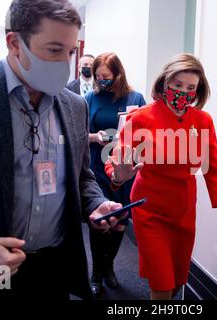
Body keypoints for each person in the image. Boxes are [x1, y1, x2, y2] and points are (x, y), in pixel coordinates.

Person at [0, 0, 126, 300]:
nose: (65, 64)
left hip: (52, 269)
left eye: (70, 52)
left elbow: (82, 175)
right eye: (53, 50)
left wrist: (95, 203)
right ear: (14, 43)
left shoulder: (75, 106)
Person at [105, 53, 217, 300]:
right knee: (162, 283)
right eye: (177, 86)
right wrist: (118, 177)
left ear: (199, 91)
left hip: (184, 212)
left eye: (190, 88)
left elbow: (213, 169)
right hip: (150, 211)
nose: (183, 93)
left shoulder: (203, 121)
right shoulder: (141, 117)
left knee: (177, 280)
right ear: (165, 82)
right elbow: (115, 161)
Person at [83, 52, 146, 297]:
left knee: (120, 220)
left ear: (118, 74)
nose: (101, 81)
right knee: (100, 220)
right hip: (97, 168)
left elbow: (144, 134)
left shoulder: (135, 98)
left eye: (106, 76)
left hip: (124, 169)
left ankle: (109, 267)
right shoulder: (90, 98)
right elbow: (79, 132)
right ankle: (96, 272)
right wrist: (94, 137)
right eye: (98, 77)